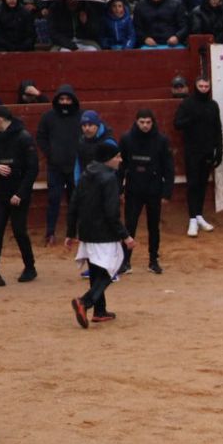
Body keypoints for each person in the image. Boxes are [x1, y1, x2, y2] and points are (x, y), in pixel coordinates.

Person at [66, 138, 134, 328]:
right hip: (104, 234)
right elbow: (111, 212)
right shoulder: (109, 178)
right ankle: (85, 302)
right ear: (108, 159)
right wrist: (125, 235)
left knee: (96, 270)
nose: (120, 160)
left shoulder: (86, 174)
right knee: (113, 266)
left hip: (87, 232)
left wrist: (70, 232)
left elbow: (74, 204)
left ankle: (100, 311)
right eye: (117, 156)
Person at [118, 108, 173, 275]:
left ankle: (153, 260)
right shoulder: (127, 139)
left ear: (152, 122)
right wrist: (119, 189)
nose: (145, 125)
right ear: (136, 122)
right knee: (130, 225)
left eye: (148, 122)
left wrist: (166, 192)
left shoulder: (161, 140)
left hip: (153, 189)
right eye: (142, 122)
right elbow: (121, 166)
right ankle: (125, 261)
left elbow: (168, 167)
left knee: (153, 226)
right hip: (133, 189)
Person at [0, 107, 37, 288]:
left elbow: (32, 169)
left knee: (19, 230)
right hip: (0, 193)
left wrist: (20, 193)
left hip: (18, 193)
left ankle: (30, 267)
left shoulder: (24, 138)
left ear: (0, 119)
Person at [173, 76, 222, 238]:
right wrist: (192, 118)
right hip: (192, 151)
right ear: (195, 86)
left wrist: (219, 150)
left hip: (207, 151)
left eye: (206, 86)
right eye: (201, 86)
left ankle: (199, 215)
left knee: (202, 184)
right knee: (193, 184)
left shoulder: (213, 105)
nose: (203, 89)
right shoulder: (187, 104)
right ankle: (192, 218)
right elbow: (177, 123)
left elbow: (217, 129)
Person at [36, 85, 81, 246]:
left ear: (73, 100)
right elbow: (41, 137)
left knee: (74, 200)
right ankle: (50, 233)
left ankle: (73, 233)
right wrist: (51, 153)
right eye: (62, 99)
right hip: (55, 166)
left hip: (75, 166)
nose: (65, 102)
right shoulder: (48, 117)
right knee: (53, 199)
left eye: (68, 99)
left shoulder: (81, 116)